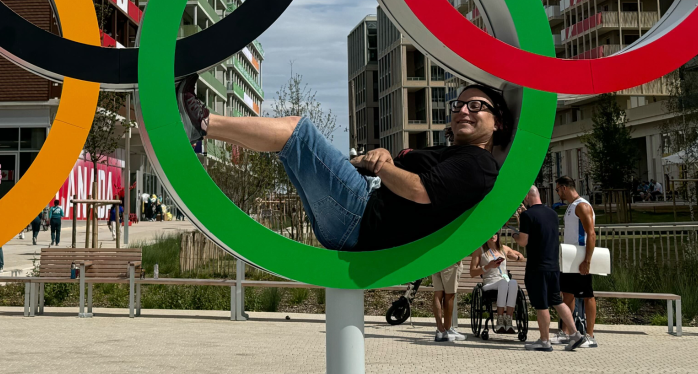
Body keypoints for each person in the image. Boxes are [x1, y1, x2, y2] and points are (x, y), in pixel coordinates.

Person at [179, 79, 511, 252]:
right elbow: (388, 173)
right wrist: (368, 160)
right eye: (459, 104)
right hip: (360, 212)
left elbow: (420, 190)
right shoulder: (457, 155)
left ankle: (202, 123)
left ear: (497, 124)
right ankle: (203, 128)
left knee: (297, 130)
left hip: (363, 217)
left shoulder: (478, 163)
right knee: (289, 142)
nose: (463, 110)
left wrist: (383, 166)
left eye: (477, 106)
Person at [515, 184, 583, 351]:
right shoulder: (552, 214)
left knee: (541, 304)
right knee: (557, 301)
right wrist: (522, 217)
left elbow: (523, 241)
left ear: (527, 197)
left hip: (537, 267)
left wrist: (515, 235)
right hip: (553, 265)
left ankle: (544, 341)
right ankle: (575, 334)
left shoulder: (527, 216)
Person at [555, 175, 598, 348]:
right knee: (567, 293)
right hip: (570, 256)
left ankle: (590, 335)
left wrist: (587, 260)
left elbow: (591, 233)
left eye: (558, 189)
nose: (558, 193)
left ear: (564, 188)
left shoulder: (582, 205)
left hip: (580, 256)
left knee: (587, 294)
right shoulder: (571, 207)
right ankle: (566, 332)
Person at [469, 234, 521, 328]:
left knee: (513, 282)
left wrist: (516, 257)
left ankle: (508, 319)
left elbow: (520, 256)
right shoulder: (479, 250)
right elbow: (472, 272)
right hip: (490, 282)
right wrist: (488, 266)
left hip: (504, 279)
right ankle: (500, 318)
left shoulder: (503, 249)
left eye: (495, 233)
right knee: (503, 283)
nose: (492, 236)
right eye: (489, 234)